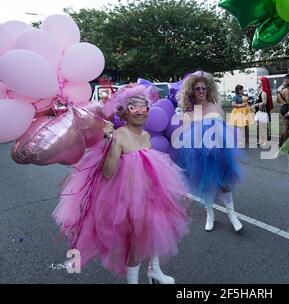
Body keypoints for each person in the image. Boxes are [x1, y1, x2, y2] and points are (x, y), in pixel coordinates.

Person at [53, 84, 190, 284]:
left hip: (151, 194)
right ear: (125, 112)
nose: (141, 112)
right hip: (129, 200)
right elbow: (108, 173)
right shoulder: (120, 135)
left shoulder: (146, 136)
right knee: (135, 244)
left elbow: (149, 167)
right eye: (134, 107)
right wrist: (113, 144)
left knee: (156, 231)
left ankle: (154, 271)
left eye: (145, 107)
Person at [175, 71, 243, 232]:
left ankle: (232, 214)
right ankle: (210, 213)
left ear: (208, 89)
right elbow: (186, 139)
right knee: (206, 185)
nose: (201, 91)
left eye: (203, 88)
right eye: (197, 88)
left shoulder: (216, 107)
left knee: (225, 183)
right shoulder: (189, 112)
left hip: (220, 153)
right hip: (199, 156)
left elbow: (225, 131)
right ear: (192, 90)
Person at [253, 76, 273, 149]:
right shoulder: (260, 91)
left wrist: (255, 105)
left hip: (263, 111)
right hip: (259, 111)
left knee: (263, 127)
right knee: (260, 126)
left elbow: (264, 102)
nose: (257, 83)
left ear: (262, 84)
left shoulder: (264, 92)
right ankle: (261, 140)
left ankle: (265, 141)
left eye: (259, 82)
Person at [277, 74, 289, 146]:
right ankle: (285, 144)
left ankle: (281, 142)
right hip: (286, 107)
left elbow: (278, 101)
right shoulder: (286, 90)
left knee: (287, 126)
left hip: (282, 107)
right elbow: (288, 101)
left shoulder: (279, 88)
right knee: (287, 127)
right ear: (287, 80)